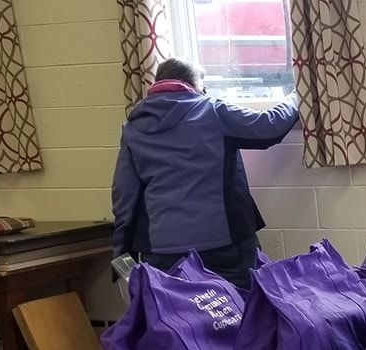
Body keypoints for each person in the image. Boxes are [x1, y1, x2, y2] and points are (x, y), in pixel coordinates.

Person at [111, 57, 299, 291]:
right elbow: (270, 126)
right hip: (223, 247)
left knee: (178, 320)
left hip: (162, 254)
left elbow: (124, 201)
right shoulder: (211, 110)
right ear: (194, 84)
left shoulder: (132, 129)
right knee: (243, 314)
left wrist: (121, 261)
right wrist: (297, 95)